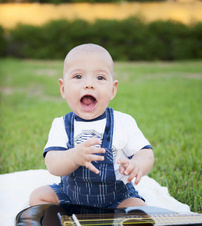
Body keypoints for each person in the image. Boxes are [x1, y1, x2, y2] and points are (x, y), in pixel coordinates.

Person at [29, 43, 154, 208]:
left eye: (100, 78)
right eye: (78, 77)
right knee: (38, 197)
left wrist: (138, 164)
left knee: (138, 208)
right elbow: (52, 164)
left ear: (113, 90)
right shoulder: (61, 124)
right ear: (63, 88)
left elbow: (145, 153)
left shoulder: (123, 122)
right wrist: (73, 157)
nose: (89, 84)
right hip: (71, 196)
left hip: (116, 198)